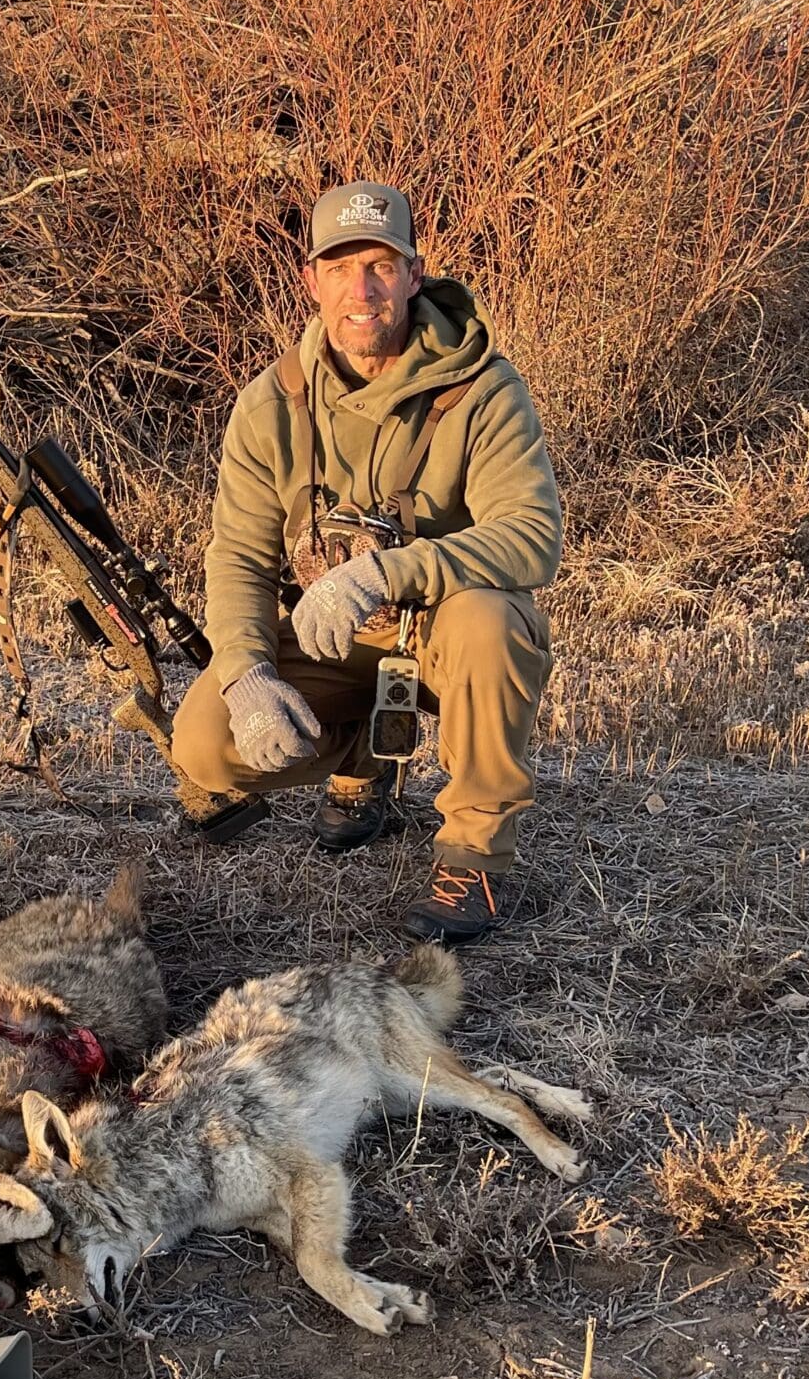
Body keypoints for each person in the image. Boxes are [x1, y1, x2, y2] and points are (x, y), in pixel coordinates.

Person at [172, 180, 562, 943]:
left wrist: (385, 573)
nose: (362, 289)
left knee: (490, 620)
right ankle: (368, 757)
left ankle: (475, 854)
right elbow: (239, 562)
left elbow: (531, 536)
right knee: (203, 742)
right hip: (338, 643)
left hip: (448, 636)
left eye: (381, 265)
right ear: (309, 280)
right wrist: (250, 677)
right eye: (340, 266)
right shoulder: (267, 404)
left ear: (414, 274)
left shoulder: (484, 387)